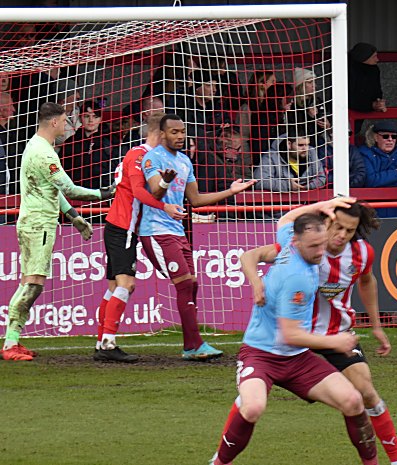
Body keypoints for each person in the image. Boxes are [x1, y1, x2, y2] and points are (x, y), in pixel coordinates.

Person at [214, 200, 397, 465]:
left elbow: (367, 281)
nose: (340, 237)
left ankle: (393, 459)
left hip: (323, 337)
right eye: (337, 227)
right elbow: (257, 251)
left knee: (360, 396)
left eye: (349, 230)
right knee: (252, 404)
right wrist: (256, 283)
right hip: (291, 341)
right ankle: (223, 453)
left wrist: (376, 326)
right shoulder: (297, 262)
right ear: (325, 222)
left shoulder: (354, 252)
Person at [0, 102, 115, 361]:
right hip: (38, 224)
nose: (67, 125)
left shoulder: (38, 146)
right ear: (53, 122)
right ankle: (10, 343)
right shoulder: (44, 153)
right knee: (32, 284)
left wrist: (74, 218)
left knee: (31, 283)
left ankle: (11, 341)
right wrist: (106, 193)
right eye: (65, 121)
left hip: (37, 222)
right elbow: (70, 188)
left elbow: (54, 190)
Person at [139, 114, 256, 360]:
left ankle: (191, 345)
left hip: (178, 232)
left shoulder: (184, 161)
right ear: (162, 134)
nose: (180, 136)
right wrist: (164, 182)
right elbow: (155, 194)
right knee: (184, 284)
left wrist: (230, 191)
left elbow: (196, 200)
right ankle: (194, 345)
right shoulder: (152, 158)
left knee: (192, 285)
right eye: (174, 132)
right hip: (156, 232)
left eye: (182, 131)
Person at [93, 112, 186, 363]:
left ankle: (102, 341)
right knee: (127, 284)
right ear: (159, 133)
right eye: (171, 133)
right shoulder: (139, 155)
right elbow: (136, 191)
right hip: (123, 226)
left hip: (122, 226)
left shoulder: (147, 157)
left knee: (114, 287)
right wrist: (164, 206)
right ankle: (108, 344)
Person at [61, 99, 114, 190]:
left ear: (101, 119)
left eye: (95, 116)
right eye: (86, 116)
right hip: (75, 194)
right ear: (80, 118)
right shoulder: (71, 142)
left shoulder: (110, 141)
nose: (91, 120)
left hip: (102, 194)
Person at [254, 127, 326, 192]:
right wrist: (288, 185)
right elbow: (260, 182)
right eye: (300, 145)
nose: (305, 149)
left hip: (308, 201)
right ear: (289, 144)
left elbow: (321, 178)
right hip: (281, 203)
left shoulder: (311, 152)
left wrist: (304, 187)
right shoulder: (271, 156)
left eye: (307, 145)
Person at [359, 121, 397, 217]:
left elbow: (375, 179)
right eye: (385, 136)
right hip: (373, 209)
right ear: (375, 137)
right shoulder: (365, 153)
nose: (390, 140)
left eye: (394, 137)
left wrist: (381, 177)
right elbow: (370, 181)